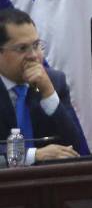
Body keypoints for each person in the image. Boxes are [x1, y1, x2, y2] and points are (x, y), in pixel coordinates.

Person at [0, 8, 86, 164]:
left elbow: (77, 147)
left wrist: (48, 93)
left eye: (36, 45)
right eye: (22, 48)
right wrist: (33, 156)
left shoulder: (53, 82)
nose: (33, 55)